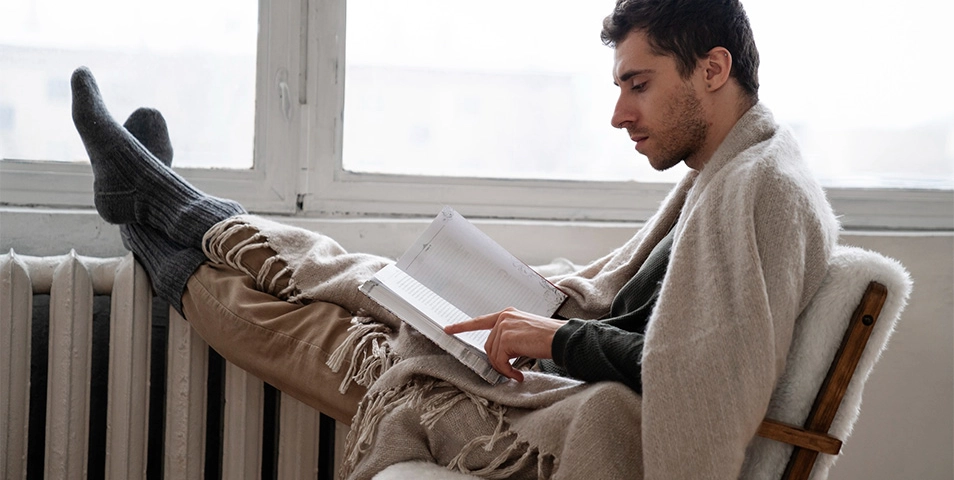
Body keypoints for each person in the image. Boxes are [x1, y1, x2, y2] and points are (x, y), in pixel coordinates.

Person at [71, 0, 839, 477]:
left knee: (332, 338)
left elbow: (700, 378)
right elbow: (666, 335)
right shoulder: (738, 175)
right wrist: (552, 315)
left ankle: (150, 213)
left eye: (638, 84)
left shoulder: (763, 191)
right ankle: (161, 207)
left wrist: (555, 338)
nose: (619, 115)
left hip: (577, 413)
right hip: (571, 375)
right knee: (372, 279)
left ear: (713, 69)